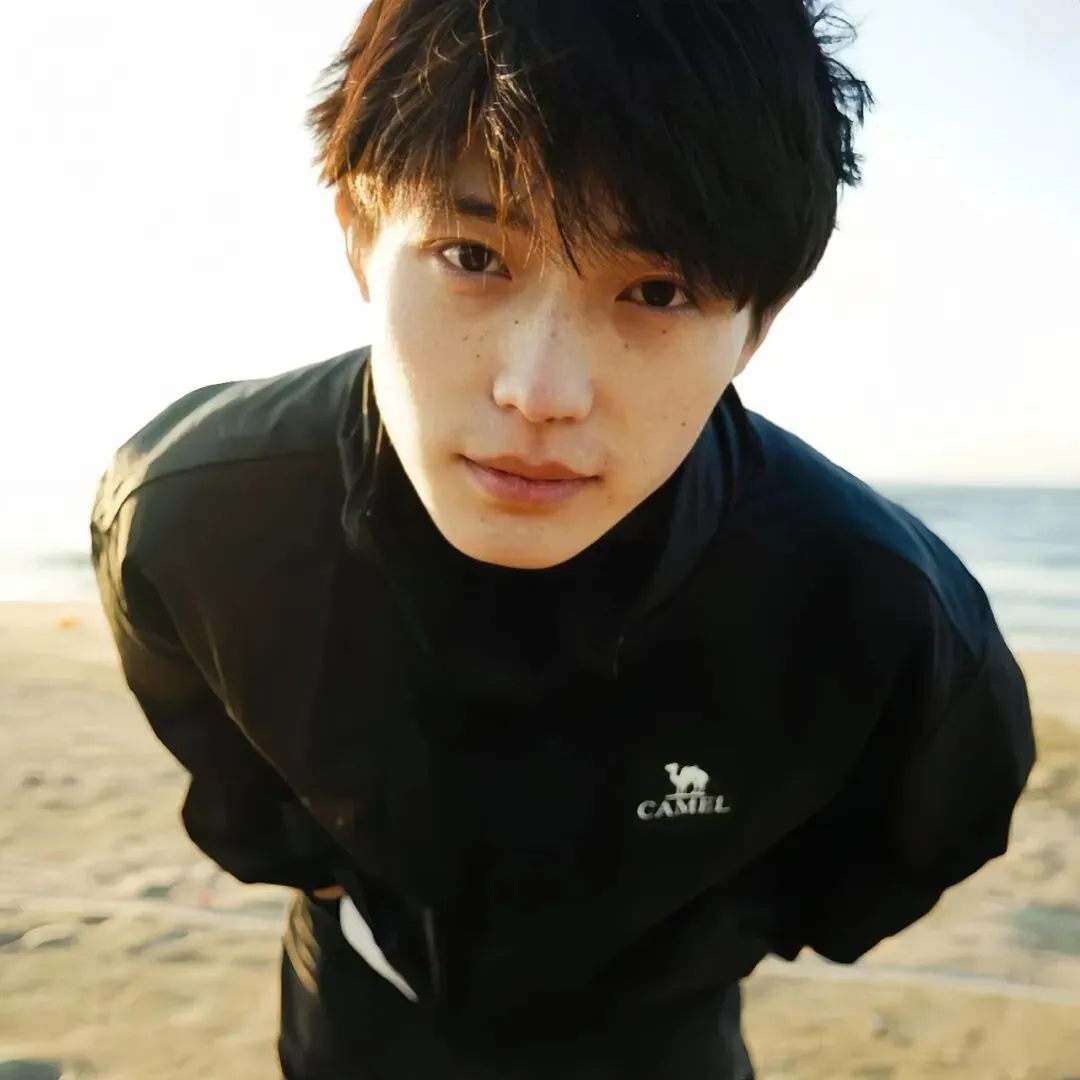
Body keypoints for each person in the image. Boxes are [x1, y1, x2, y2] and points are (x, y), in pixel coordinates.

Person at [89, 1, 1036, 1077]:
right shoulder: (199, 509)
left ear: (756, 324)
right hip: (360, 1001)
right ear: (359, 232)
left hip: (658, 1035)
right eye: (472, 255)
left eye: (657, 290)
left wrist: (712, 934)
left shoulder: (879, 606)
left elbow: (932, 826)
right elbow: (185, 690)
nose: (540, 390)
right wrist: (307, 864)